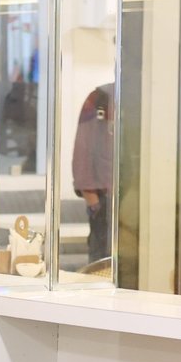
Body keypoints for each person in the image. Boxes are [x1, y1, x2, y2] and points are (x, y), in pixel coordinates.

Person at [71, 83, 115, 263]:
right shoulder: (99, 99)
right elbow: (84, 148)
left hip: (137, 199)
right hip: (105, 198)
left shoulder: (150, 96)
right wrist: (92, 199)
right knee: (101, 265)